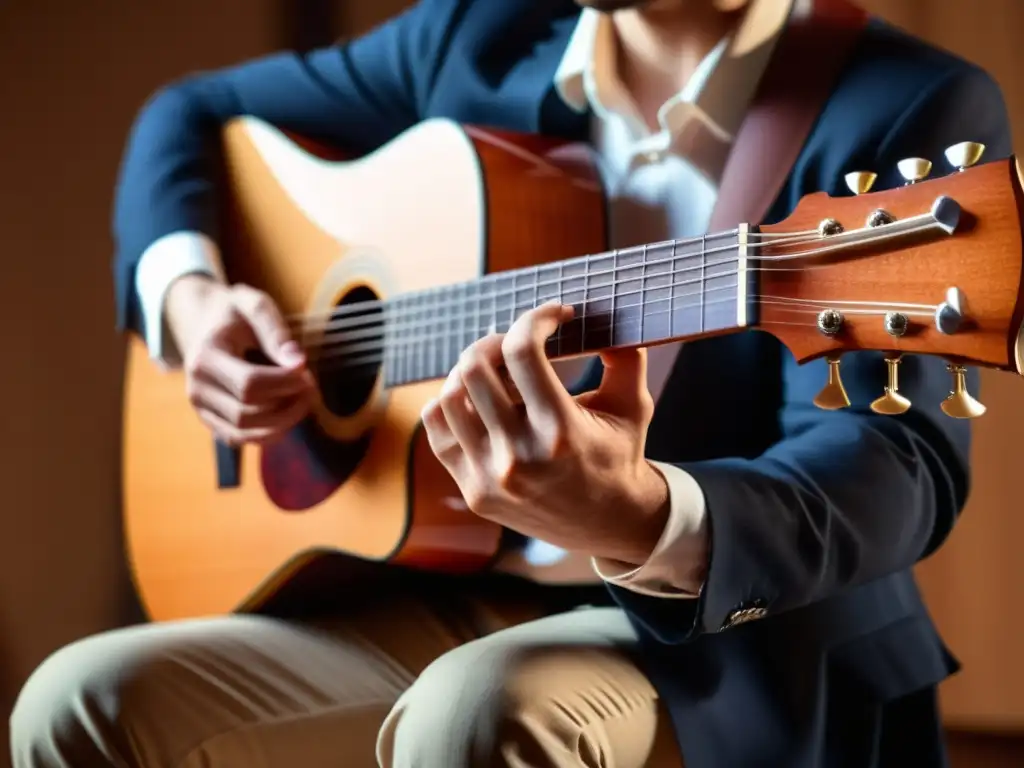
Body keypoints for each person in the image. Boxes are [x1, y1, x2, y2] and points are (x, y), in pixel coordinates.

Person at [10, 0, 1013, 766]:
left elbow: (893, 464)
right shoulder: (484, 33)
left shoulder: (900, 102)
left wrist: (637, 515)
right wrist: (188, 301)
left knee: (479, 708)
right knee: (77, 696)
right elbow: (191, 113)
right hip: (450, 584)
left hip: (724, 646)